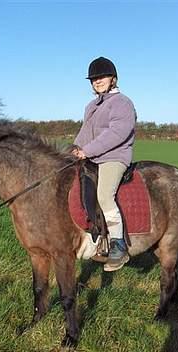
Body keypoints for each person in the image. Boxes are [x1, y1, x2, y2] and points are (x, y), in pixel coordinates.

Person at [72, 56, 137, 272]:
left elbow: (116, 133)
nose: (97, 81)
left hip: (114, 157)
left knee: (104, 195)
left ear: (113, 79)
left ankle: (118, 246)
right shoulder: (92, 105)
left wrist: (87, 151)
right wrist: (73, 149)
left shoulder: (122, 103)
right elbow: (85, 133)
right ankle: (98, 237)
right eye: (94, 78)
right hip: (92, 157)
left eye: (102, 76)